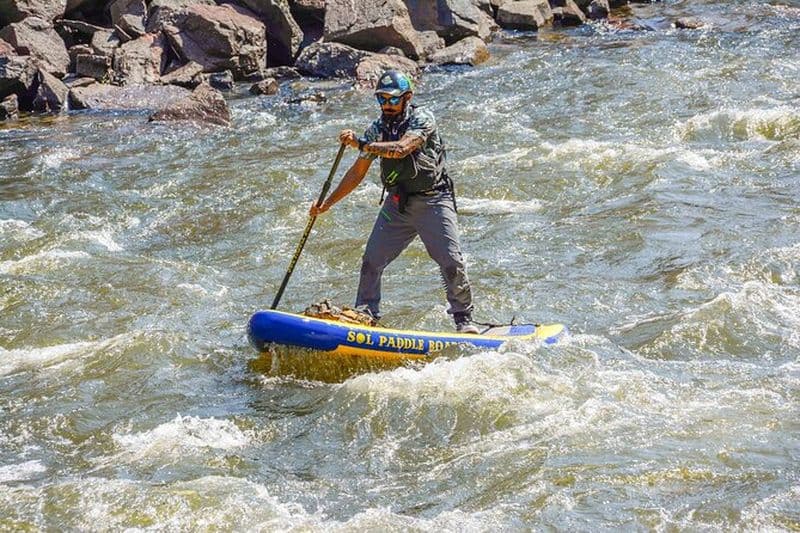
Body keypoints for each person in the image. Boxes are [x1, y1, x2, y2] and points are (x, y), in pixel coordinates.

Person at [310, 70, 479, 334]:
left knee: (450, 261)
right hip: (397, 204)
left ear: (407, 97)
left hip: (434, 200)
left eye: (392, 100)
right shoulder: (376, 129)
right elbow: (357, 173)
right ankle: (366, 315)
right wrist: (327, 204)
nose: (386, 105)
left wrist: (362, 144)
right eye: (381, 99)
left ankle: (463, 320)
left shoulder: (423, 118)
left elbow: (401, 148)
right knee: (371, 260)